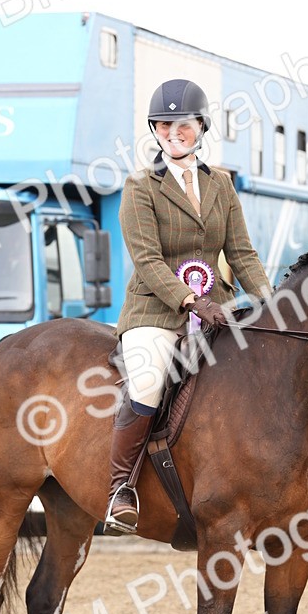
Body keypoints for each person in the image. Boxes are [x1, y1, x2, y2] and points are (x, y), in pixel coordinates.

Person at [103, 78, 272, 534]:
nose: (173, 132)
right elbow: (147, 259)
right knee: (149, 380)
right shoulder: (140, 187)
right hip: (156, 313)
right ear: (154, 130)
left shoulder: (221, 185)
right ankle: (121, 488)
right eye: (163, 124)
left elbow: (241, 253)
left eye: (183, 124)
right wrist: (193, 301)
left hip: (217, 310)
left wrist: (271, 302)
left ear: (201, 127)